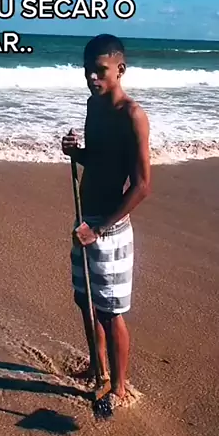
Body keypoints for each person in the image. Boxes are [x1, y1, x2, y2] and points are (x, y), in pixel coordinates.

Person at [62, 34, 151, 407]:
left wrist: (99, 229)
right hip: (85, 220)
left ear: (120, 69)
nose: (92, 78)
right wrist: (75, 152)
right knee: (86, 301)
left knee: (111, 312)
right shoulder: (92, 106)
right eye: (87, 71)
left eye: (100, 70)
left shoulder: (132, 115)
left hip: (109, 229)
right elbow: (97, 158)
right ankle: (97, 367)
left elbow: (142, 186)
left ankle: (118, 387)